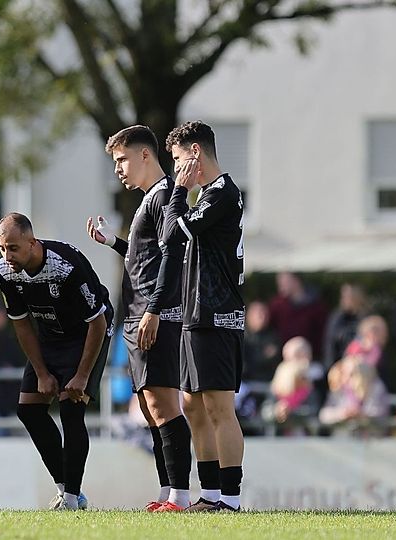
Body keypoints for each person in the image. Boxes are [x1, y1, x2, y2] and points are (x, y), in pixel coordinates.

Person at [84, 125, 193, 512]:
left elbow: (171, 258)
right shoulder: (150, 199)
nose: (118, 168)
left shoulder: (165, 197)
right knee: (149, 407)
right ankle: (167, 492)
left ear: (145, 155)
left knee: (164, 405)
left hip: (151, 316)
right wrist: (114, 242)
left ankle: (180, 495)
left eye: (122, 159)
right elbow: (144, 257)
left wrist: (154, 310)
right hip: (136, 315)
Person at [0, 212, 112, 511]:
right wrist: (42, 372)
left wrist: (83, 376)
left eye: (13, 248)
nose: (7, 255)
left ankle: (71, 499)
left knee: (71, 409)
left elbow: (97, 322)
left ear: (32, 243)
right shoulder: (5, 271)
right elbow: (21, 323)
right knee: (28, 410)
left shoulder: (66, 266)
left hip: (87, 333)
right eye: (1, 248)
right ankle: (66, 487)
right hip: (50, 335)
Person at [161, 120, 245, 512]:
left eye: (177, 159)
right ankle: (209, 494)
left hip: (217, 312)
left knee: (217, 406)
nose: (175, 168)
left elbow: (173, 233)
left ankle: (230, 498)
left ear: (194, 153)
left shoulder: (223, 193)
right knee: (192, 403)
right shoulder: (207, 195)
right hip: (196, 312)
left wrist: (179, 189)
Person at [318, 356, 389, 435]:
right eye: (344, 373)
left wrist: (359, 414)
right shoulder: (340, 389)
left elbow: (377, 415)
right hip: (343, 438)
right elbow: (324, 415)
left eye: (352, 374)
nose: (347, 378)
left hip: (371, 437)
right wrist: (342, 413)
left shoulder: (376, 387)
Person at [262, 338, 318, 432]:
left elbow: (314, 412)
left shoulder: (312, 386)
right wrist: (276, 411)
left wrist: (290, 411)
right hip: (276, 439)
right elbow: (265, 411)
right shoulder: (277, 388)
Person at [268, 272, 329, 358]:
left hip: (310, 358)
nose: (281, 286)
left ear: (296, 281)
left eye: (284, 282)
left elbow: (323, 334)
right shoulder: (277, 305)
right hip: (283, 359)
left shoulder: (316, 307)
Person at [322, 284, 368, 369]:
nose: (345, 299)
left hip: (363, 365)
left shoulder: (366, 317)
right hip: (340, 365)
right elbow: (330, 344)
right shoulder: (337, 317)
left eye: (349, 296)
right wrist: (331, 367)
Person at [242, 301, 280, 384]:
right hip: (244, 383)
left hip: (267, 381)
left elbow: (275, 360)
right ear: (249, 316)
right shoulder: (240, 336)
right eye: (259, 314)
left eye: (265, 314)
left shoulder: (273, 336)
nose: (263, 317)